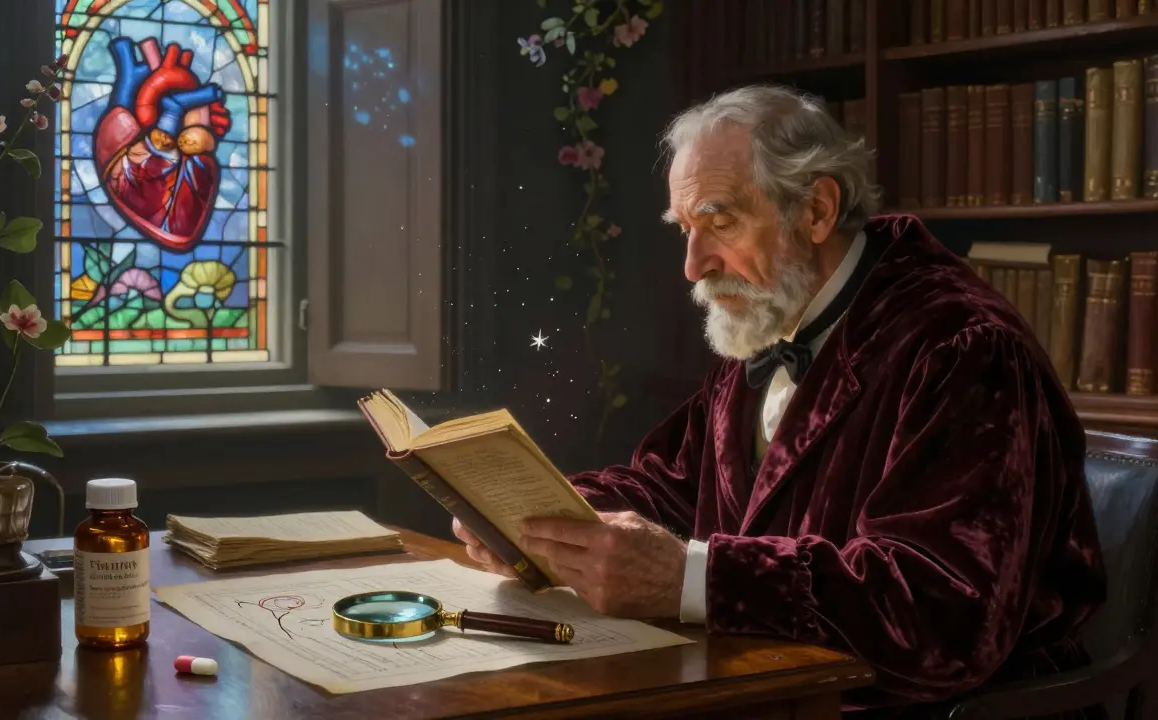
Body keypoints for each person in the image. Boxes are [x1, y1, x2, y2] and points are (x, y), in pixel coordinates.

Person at [453, 85, 1107, 717]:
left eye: (720, 223)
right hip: (770, 691)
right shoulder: (772, 314)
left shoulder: (963, 347)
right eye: (685, 230)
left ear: (817, 211)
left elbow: (944, 614)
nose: (694, 266)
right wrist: (536, 519)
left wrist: (691, 580)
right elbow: (674, 485)